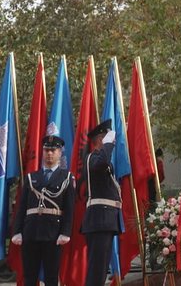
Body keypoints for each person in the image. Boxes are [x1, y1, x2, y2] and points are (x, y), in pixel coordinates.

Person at [12, 136, 75, 286]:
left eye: (53, 150)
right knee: (29, 276)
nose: (49, 153)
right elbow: (22, 208)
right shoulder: (31, 177)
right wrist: (17, 231)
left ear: (60, 152)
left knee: (51, 277)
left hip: (53, 233)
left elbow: (70, 208)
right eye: (46, 150)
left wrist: (65, 232)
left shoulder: (66, 177)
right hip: (30, 232)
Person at [81, 120, 121, 286]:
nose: (113, 142)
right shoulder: (93, 158)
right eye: (108, 139)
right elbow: (102, 161)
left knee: (101, 269)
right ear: (101, 140)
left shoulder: (102, 161)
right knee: (96, 270)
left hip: (105, 221)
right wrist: (108, 145)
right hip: (99, 220)